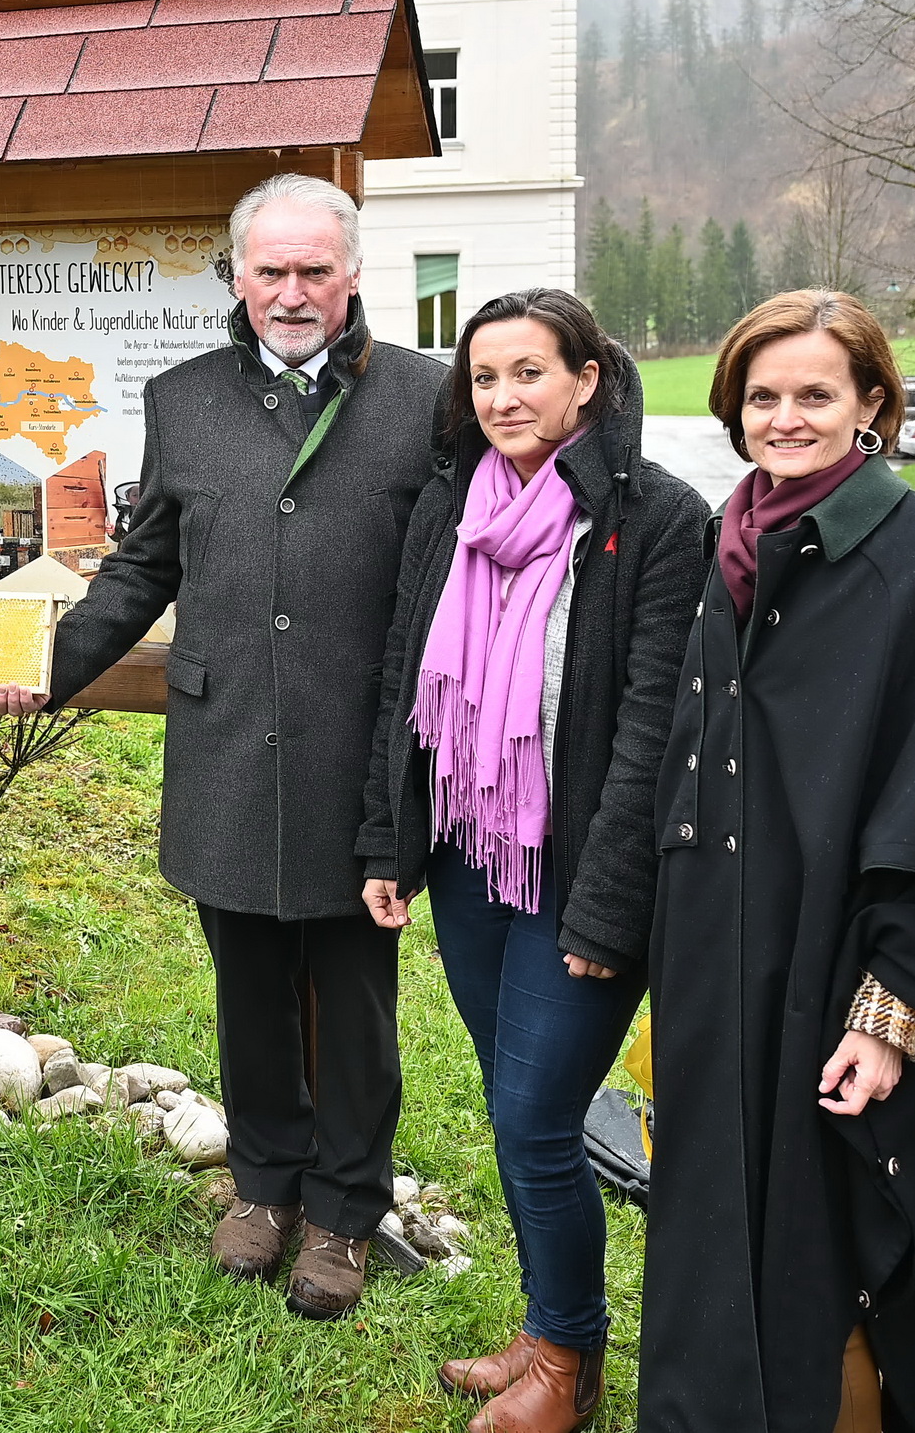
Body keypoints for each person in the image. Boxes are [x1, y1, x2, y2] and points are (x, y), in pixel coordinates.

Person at [0, 171, 443, 1318]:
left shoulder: (430, 401)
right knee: (245, 986)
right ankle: (262, 1185)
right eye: (270, 271)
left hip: (357, 751)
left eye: (313, 272)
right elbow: (146, 562)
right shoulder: (182, 397)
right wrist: (53, 665)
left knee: (354, 998)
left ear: (351, 275)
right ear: (236, 276)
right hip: (228, 739)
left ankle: (345, 1208)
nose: (291, 293)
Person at [642, 291, 915, 1432]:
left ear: (871, 407)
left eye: (815, 395)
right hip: (718, 958)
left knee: (840, 1243)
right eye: (763, 395)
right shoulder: (735, 540)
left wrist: (890, 1012)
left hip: (840, 973)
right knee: (713, 1223)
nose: (786, 417)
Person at [358, 291, 708, 1431]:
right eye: (484, 378)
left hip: (577, 879)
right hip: (468, 859)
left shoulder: (656, 520)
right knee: (520, 1115)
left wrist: (609, 915)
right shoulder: (450, 505)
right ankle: (549, 1329)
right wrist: (389, 842)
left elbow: (655, 732)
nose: (504, 397)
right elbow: (405, 681)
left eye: (529, 373)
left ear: (588, 380)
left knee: (535, 1119)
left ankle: (572, 1365)